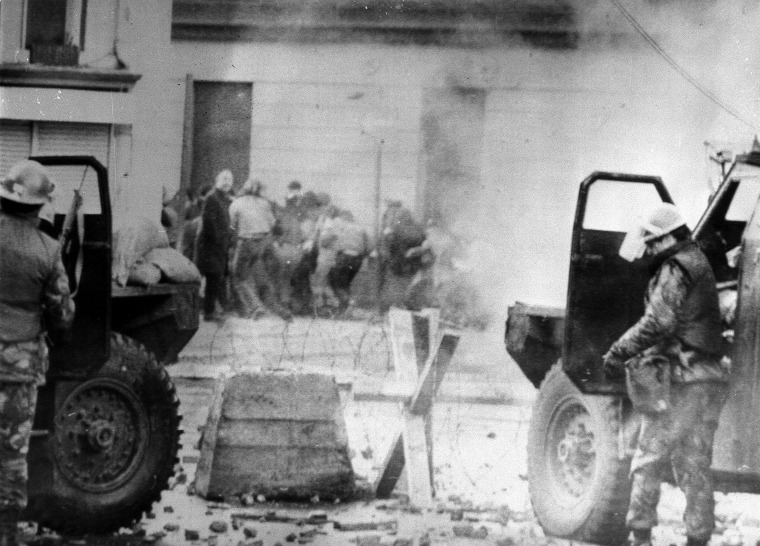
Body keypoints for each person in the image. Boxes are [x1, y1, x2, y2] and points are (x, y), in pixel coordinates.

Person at [602, 203, 728, 546]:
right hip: (709, 378)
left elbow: (659, 322)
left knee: (648, 458)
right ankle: (697, 538)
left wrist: (617, 351)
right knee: (695, 464)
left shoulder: (676, 267)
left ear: (670, 237)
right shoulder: (699, 261)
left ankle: (640, 536)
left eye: (654, 241)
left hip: (681, 381)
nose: (651, 249)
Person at [0, 160, 75, 545]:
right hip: (17, 369)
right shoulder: (47, 250)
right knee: (11, 455)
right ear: (40, 204)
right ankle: (6, 534)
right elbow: (61, 315)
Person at [229, 178, 292, 321]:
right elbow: (273, 225)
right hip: (262, 243)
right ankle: (279, 310)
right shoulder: (265, 204)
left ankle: (256, 308)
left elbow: (231, 225)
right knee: (261, 277)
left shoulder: (237, 203)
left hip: (245, 242)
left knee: (239, 277)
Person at [196, 170, 233, 322]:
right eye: (224, 179)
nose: (227, 182)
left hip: (219, 246)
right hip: (211, 245)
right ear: (217, 180)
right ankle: (208, 311)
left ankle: (211, 310)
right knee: (211, 277)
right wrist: (219, 240)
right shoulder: (212, 198)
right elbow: (209, 222)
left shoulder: (224, 199)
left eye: (230, 180)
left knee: (216, 278)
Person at [321, 209, 370, 314]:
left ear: (342, 218)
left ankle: (348, 302)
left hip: (344, 257)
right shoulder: (360, 228)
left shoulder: (339, 225)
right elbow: (369, 247)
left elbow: (323, 242)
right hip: (358, 259)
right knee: (345, 283)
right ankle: (344, 309)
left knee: (332, 279)